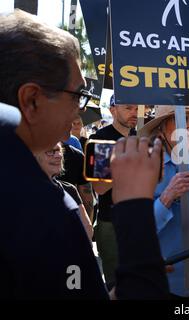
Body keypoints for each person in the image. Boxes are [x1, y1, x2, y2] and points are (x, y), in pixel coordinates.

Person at [0, 10, 168, 299]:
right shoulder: (45, 213)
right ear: (31, 100)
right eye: (78, 94)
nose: (80, 108)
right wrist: (135, 208)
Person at [139, 105, 189, 300]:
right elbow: (136, 228)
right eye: (181, 120)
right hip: (163, 283)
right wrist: (166, 197)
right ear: (162, 130)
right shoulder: (146, 167)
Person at [90, 95, 138, 288]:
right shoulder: (99, 138)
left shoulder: (142, 136)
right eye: (128, 107)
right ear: (113, 110)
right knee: (116, 286)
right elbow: (99, 188)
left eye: (137, 108)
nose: (134, 113)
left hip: (140, 219)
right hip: (111, 222)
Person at [35, 142, 94, 241]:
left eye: (59, 151)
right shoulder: (22, 191)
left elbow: (87, 227)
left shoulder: (69, 189)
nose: (58, 155)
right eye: (50, 152)